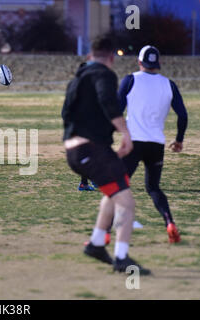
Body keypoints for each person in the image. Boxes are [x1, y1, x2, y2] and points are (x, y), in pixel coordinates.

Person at [61, 35, 150, 275]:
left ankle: (97, 244)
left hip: (75, 150)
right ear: (111, 58)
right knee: (127, 202)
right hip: (90, 150)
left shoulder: (77, 80)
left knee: (115, 190)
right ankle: (122, 258)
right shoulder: (104, 75)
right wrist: (125, 133)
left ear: (90, 55)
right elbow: (108, 102)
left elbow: (66, 113)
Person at [117, 45, 188, 243]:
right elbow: (183, 116)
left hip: (134, 142)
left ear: (139, 62)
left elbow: (117, 109)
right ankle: (169, 223)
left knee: (120, 185)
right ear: (159, 63)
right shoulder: (169, 84)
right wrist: (179, 139)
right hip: (156, 144)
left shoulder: (130, 80)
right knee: (154, 188)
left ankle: (112, 228)